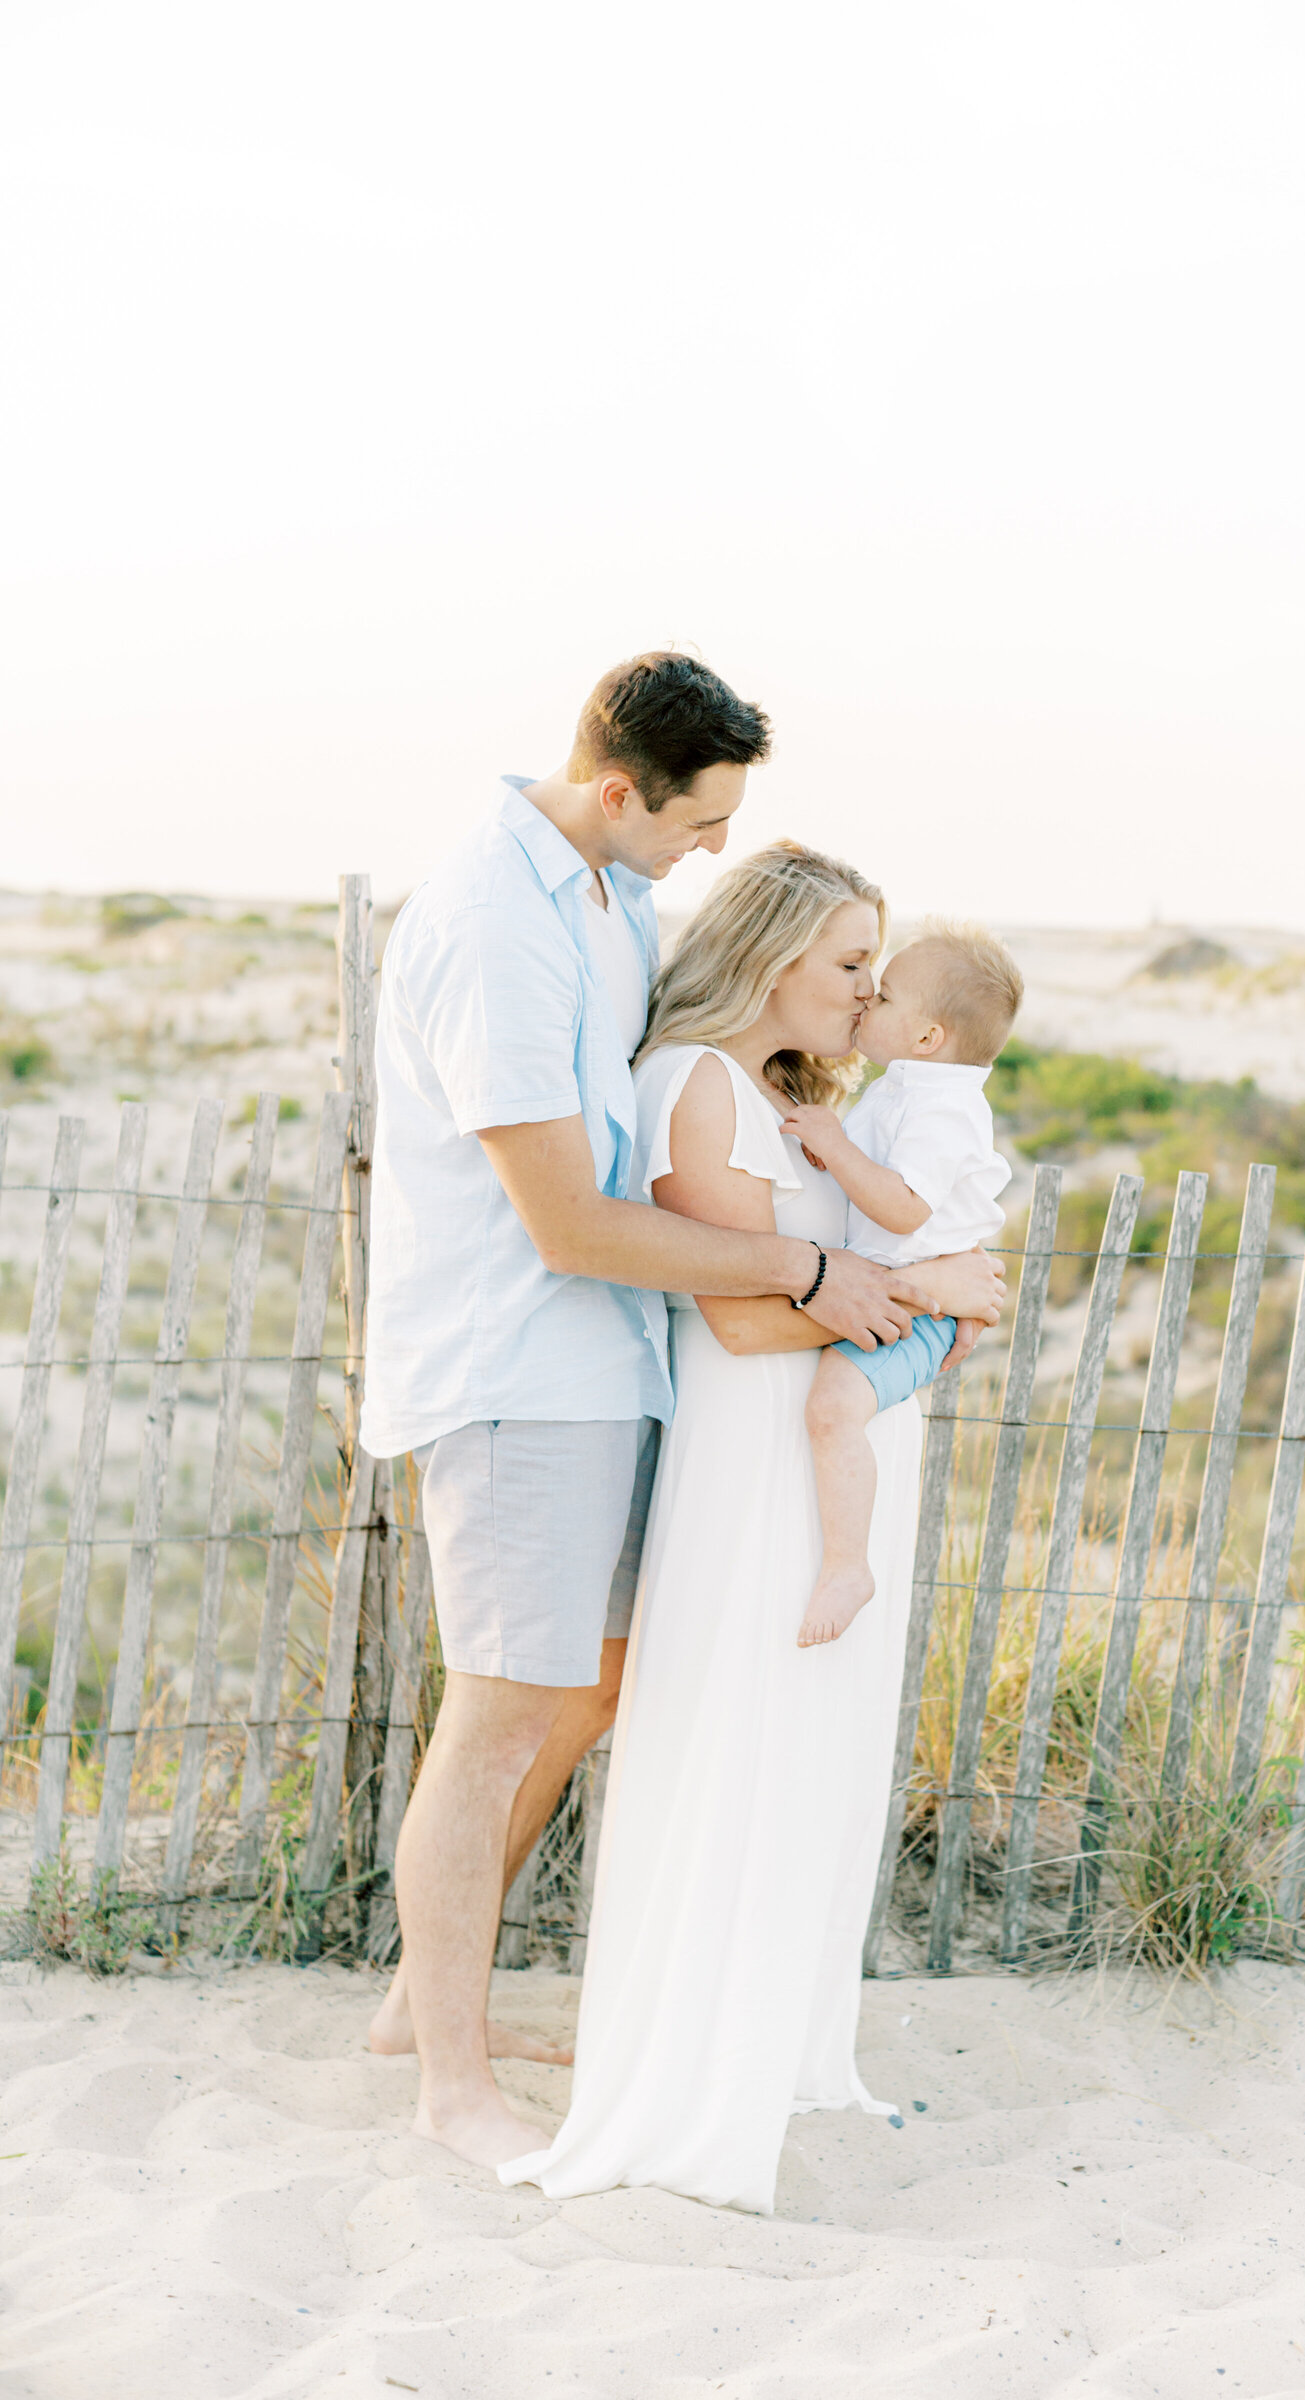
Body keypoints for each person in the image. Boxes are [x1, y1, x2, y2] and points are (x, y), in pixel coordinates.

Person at [358, 655, 1004, 2171]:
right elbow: (571, 1226)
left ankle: (411, 2006)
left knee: (581, 1694)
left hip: (613, 1364)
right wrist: (818, 1265)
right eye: (700, 821)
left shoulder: (604, 903)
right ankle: (450, 2082)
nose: (709, 853)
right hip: (517, 1365)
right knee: (505, 1710)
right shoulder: (493, 923)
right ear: (615, 789)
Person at [499, 843, 1003, 2215]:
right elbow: (732, 1313)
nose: (865, 990)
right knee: (745, 1737)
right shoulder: (695, 1087)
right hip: (760, 1453)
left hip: (828, 1446)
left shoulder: (787, 1097)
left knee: (816, 1751)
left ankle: (779, 2046)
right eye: (849, 963)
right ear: (771, 957)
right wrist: (922, 1288)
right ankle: (692, 2065)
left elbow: (865, 1269)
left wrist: (927, 1298)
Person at [782, 924, 1021, 1644]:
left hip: (919, 1314)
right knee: (832, 1408)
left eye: (883, 996)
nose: (867, 999)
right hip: (915, 1290)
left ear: (926, 1036)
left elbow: (905, 1204)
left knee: (831, 1410)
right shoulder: (911, 1088)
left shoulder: (941, 1107)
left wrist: (832, 1146)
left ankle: (849, 1566)